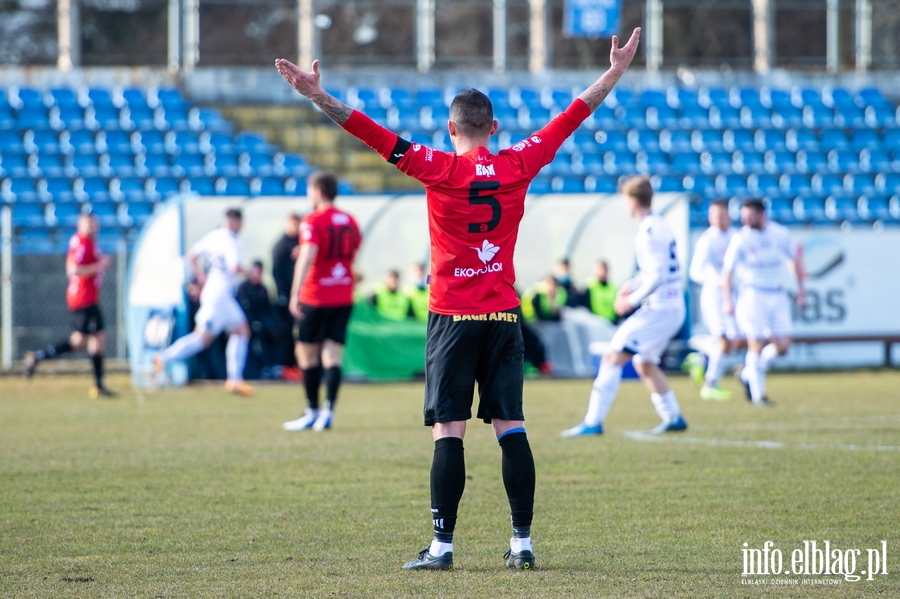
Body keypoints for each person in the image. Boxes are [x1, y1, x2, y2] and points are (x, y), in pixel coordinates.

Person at [276, 24, 641, 572]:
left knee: (450, 429)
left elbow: (369, 132)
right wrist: (613, 71)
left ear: (451, 129)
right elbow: (572, 115)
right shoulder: (520, 160)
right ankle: (522, 544)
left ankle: (442, 547)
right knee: (511, 427)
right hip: (502, 316)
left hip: (452, 315)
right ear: (493, 127)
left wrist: (315, 94)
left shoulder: (437, 167)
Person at [562, 176, 688, 438]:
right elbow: (655, 270)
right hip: (672, 306)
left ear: (631, 201)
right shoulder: (660, 225)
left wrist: (632, 299)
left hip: (661, 308)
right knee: (644, 362)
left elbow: (658, 275)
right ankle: (673, 417)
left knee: (612, 356)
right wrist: (632, 283)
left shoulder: (648, 232)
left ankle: (592, 422)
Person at [282, 171, 362, 432]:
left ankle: (311, 411)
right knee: (332, 354)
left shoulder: (312, 220)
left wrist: (294, 294)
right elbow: (351, 252)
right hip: (343, 295)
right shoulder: (349, 219)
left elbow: (308, 256)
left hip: (315, 295)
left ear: (317, 192)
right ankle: (328, 411)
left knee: (306, 353)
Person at [153, 208, 253, 396]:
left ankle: (163, 358)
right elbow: (234, 268)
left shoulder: (213, 236)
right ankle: (235, 379)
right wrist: (250, 272)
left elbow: (192, 255)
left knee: (202, 339)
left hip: (212, 292)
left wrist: (200, 275)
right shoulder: (232, 240)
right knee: (242, 331)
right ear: (235, 222)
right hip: (222, 295)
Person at [722, 199, 806, 406]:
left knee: (783, 346)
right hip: (753, 294)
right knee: (756, 342)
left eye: (749, 216)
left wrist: (801, 289)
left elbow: (793, 260)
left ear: (761, 215)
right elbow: (728, 272)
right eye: (743, 217)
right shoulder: (740, 238)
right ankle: (759, 395)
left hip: (776, 293)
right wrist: (727, 300)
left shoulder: (780, 234)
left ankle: (748, 374)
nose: (745, 220)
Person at [24, 213, 116, 398]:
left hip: (89, 299)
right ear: (80, 225)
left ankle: (38, 357)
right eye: (88, 223)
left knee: (88, 341)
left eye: (94, 223)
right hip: (84, 298)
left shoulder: (89, 242)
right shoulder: (81, 242)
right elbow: (73, 269)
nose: (92, 226)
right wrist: (99, 265)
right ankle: (97, 385)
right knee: (89, 340)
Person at [685, 200, 742, 401]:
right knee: (725, 338)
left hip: (733, 294)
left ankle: (699, 356)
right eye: (713, 215)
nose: (717, 219)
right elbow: (694, 272)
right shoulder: (707, 240)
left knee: (732, 340)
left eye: (721, 214)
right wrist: (716, 281)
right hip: (713, 296)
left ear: (729, 215)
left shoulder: (737, 237)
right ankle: (710, 384)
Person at [237, 260, 277, 379]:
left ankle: (268, 369)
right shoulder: (243, 288)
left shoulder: (263, 289)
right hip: (245, 324)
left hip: (261, 326)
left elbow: (267, 310)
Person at [272, 213, 303, 368]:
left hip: (303, 296)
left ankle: (300, 365)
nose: (295, 228)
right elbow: (277, 272)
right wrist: (283, 293)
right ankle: (285, 365)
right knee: (287, 332)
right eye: (293, 224)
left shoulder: (303, 243)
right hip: (287, 297)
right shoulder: (281, 246)